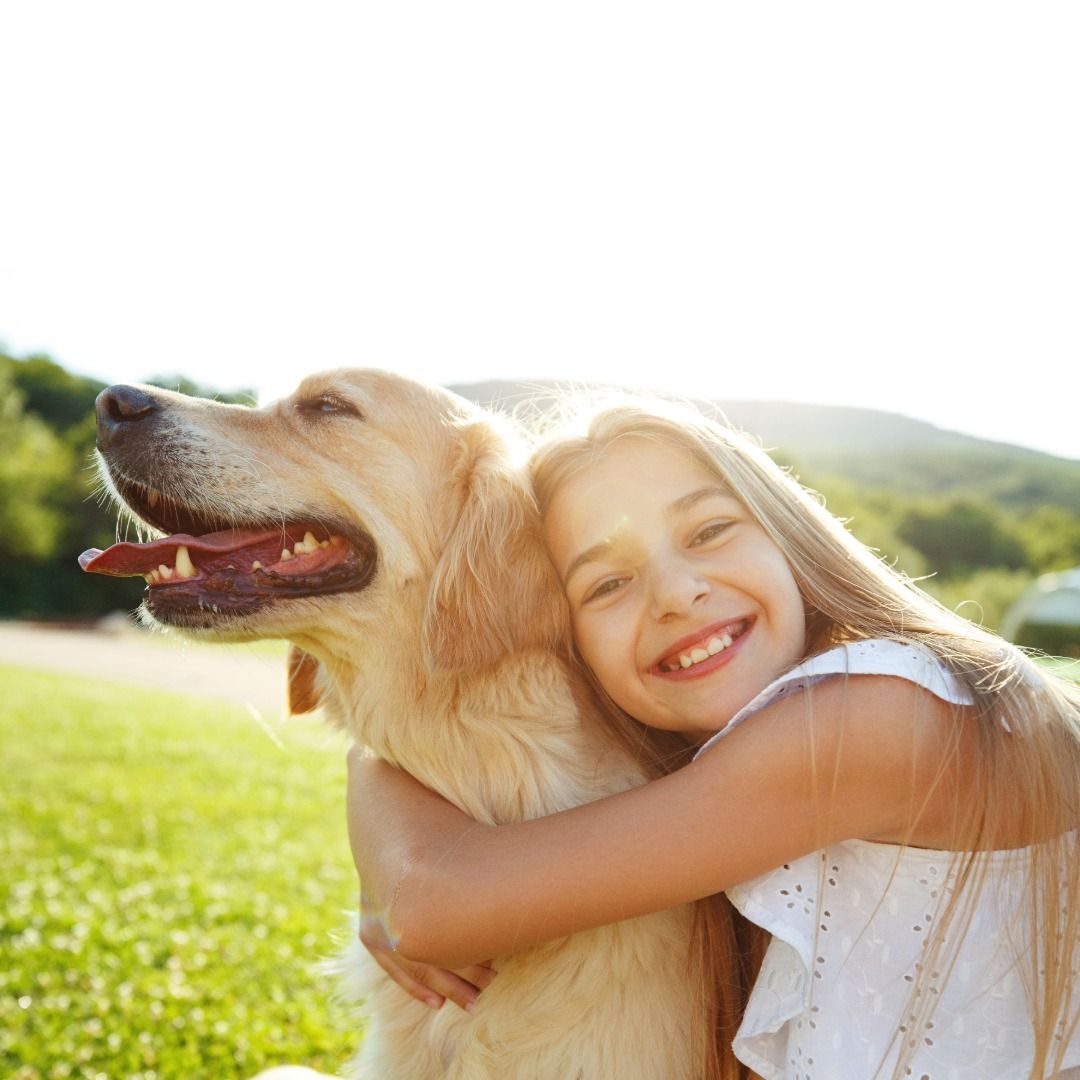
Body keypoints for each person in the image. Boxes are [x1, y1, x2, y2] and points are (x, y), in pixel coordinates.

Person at [347, 395, 1080, 1079]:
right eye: (606, 584)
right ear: (571, 646)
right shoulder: (730, 756)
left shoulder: (875, 716)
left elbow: (432, 905)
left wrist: (374, 779)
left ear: (786, 532)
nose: (675, 594)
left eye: (708, 531)